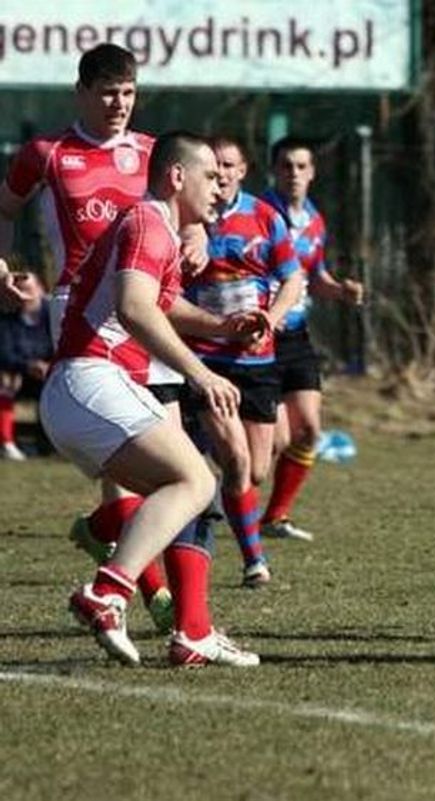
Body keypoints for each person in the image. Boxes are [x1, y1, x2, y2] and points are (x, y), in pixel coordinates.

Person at [0, 43, 202, 629]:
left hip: (147, 306)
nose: (120, 104)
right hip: (79, 311)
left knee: (167, 448)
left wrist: (198, 241)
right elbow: (4, 210)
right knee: (122, 461)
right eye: (109, 92)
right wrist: (4, 271)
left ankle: (124, 564)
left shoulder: (151, 153)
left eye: (129, 93)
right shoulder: (47, 153)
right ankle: (155, 595)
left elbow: (189, 222)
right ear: (82, 92)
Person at [44, 131, 263, 667]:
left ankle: (191, 631)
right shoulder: (147, 221)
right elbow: (137, 309)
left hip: (84, 390)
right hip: (91, 379)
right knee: (195, 481)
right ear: (177, 177)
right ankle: (107, 591)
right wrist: (199, 373)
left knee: (186, 496)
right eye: (211, 176)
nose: (220, 187)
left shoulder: (156, 226)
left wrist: (223, 327)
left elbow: (161, 305)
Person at [182, 135, 303, 588]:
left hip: (259, 361)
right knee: (233, 460)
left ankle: (198, 470)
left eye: (229, 166)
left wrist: (270, 320)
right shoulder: (189, 218)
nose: (223, 175)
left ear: (243, 170)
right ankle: (255, 562)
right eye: (214, 168)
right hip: (208, 360)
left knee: (255, 470)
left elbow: (292, 279)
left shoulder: (264, 216)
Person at [258, 136, 364, 542]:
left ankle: (275, 517)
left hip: (298, 333)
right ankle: (219, 507)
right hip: (264, 336)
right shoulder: (260, 213)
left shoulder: (315, 221)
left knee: (308, 433)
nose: (294, 174)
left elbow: (312, 278)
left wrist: (340, 291)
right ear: (274, 170)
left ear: (313, 172)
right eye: (286, 166)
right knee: (272, 440)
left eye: (302, 166)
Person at [0, 272, 52, 459]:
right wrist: (28, 366)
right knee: (6, 384)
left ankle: (50, 444)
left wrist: (49, 366)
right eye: (19, 290)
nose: (23, 295)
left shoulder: (53, 316)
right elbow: (4, 353)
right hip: (18, 375)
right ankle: (7, 443)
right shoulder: (7, 317)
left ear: (41, 290)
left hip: (49, 373)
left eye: (28, 290)